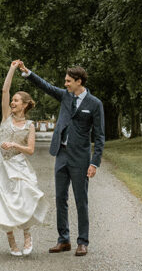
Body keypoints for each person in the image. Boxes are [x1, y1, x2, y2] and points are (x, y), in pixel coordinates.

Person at [16, 60, 104, 257]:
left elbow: (99, 136)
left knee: (81, 200)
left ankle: (83, 241)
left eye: (68, 81)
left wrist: (94, 162)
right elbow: (45, 86)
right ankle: (63, 240)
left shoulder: (95, 104)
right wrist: (27, 72)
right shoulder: (65, 96)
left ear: (79, 81)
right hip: (61, 154)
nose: (65, 84)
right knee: (60, 198)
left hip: (80, 157)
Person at [0, 61, 49, 256]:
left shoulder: (29, 125)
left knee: (23, 198)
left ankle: (27, 235)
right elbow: (5, 90)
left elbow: (30, 150)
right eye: (12, 100)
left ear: (25, 105)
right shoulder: (6, 117)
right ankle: (11, 240)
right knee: (3, 201)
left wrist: (14, 145)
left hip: (18, 165)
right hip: (0, 164)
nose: (12, 102)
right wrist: (12, 68)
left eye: (16, 100)